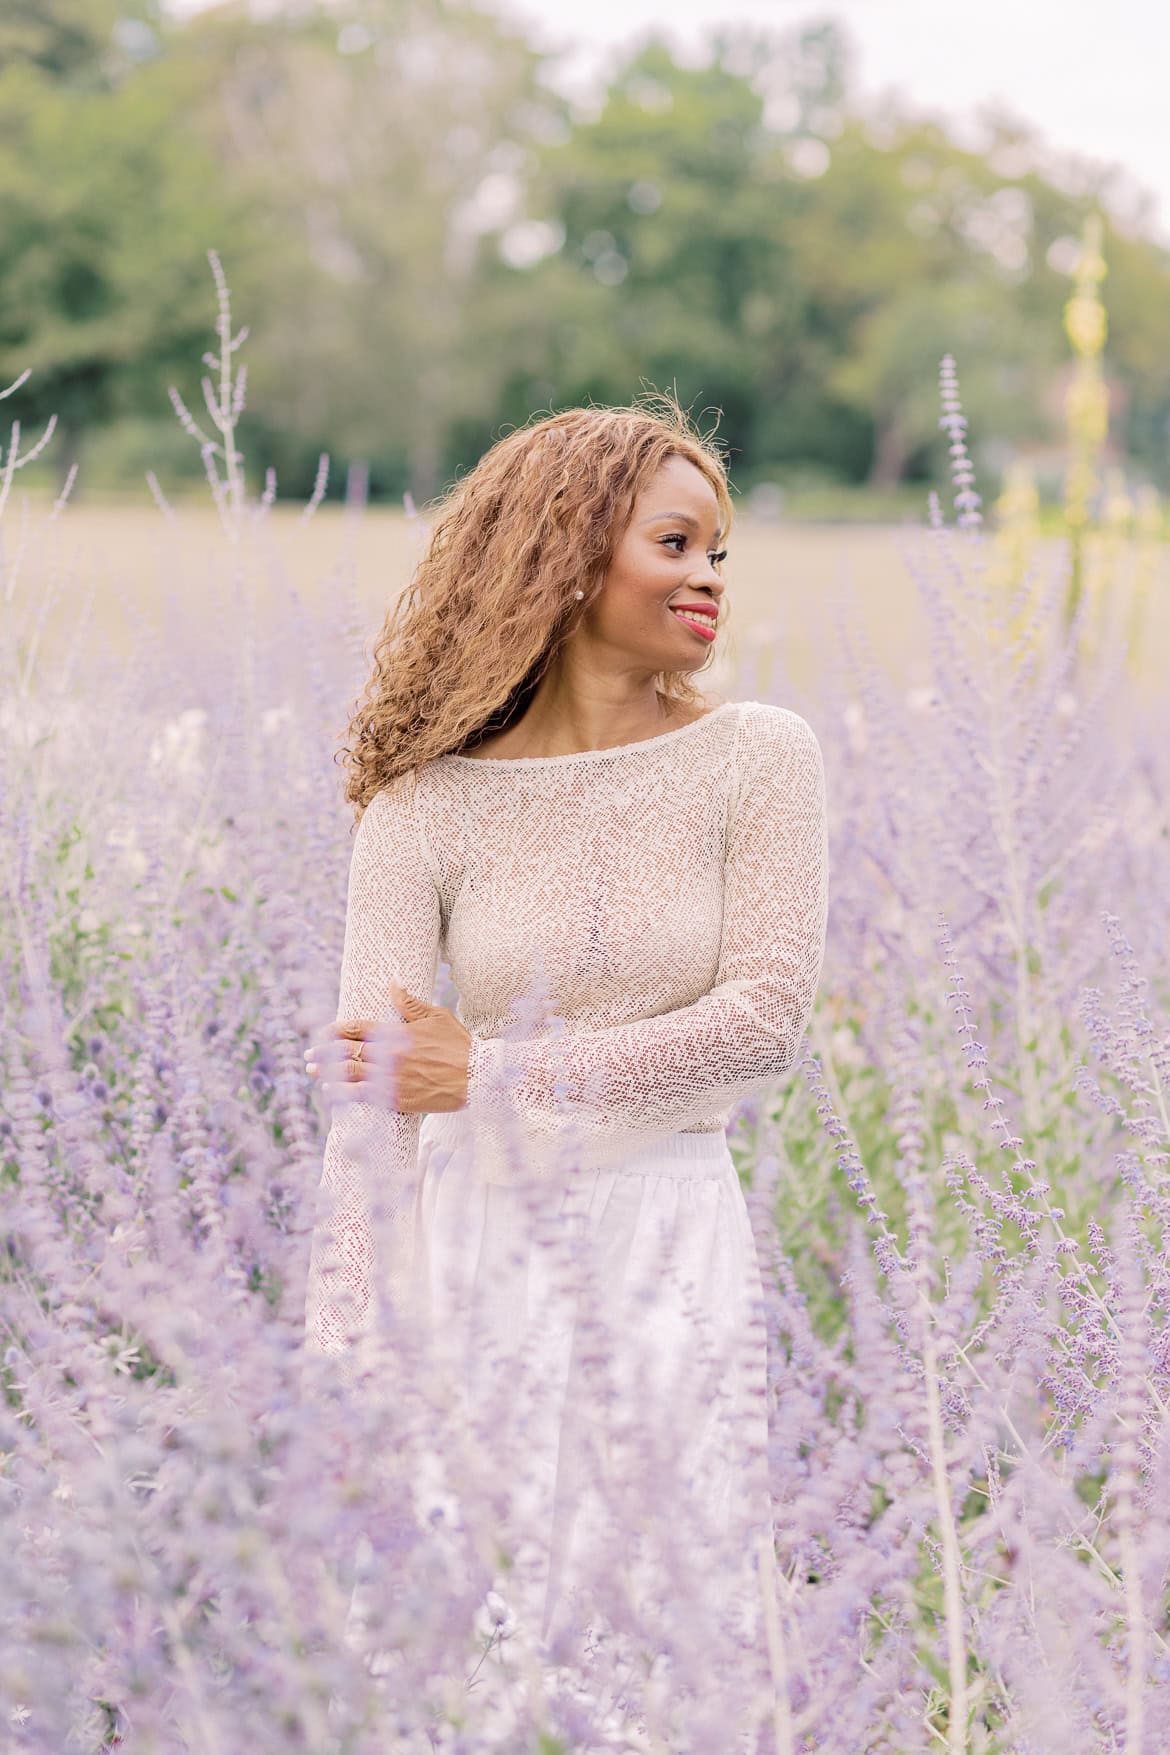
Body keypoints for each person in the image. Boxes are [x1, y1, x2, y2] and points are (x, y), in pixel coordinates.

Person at [301, 397, 830, 1749]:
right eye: (677, 542)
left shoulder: (757, 759)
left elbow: (762, 1021)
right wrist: (342, 1357)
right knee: (465, 1652)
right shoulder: (422, 808)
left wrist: (485, 1072)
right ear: (569, 549)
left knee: (662, 1633)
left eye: (720, 551)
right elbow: (369, 1105)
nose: (709, 576)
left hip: (664, 1233)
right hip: (473, 1255)